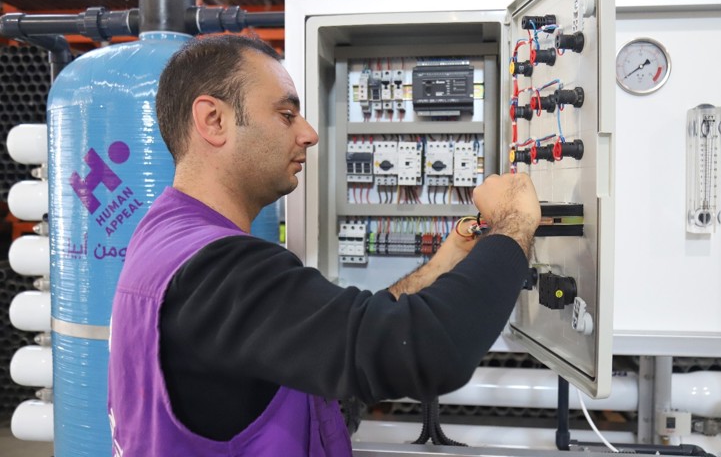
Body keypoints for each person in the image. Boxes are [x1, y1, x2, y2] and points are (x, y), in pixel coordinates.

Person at [107, 34, 541, 456]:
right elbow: (430, 349)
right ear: (214, 120)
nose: (310, 134)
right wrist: (514, 222)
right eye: (285, 114)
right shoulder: (218, 269)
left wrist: (449, 259)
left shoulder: (167, 237)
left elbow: (352, 334)